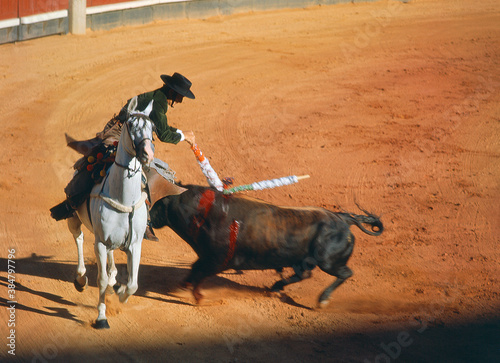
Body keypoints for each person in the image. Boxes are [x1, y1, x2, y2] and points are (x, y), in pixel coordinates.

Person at [50, 72, 196, 241]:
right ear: (172, 92)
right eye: (180, 96)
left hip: (132, 132)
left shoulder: (158, 98)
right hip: (119, 133)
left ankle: (144, 218)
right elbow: (163, 134)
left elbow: (161, 126)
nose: (180, 101)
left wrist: (181, 133)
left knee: (142, 168)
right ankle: (73, 202)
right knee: (101, 159)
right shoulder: (159, 102)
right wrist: (183, 137)